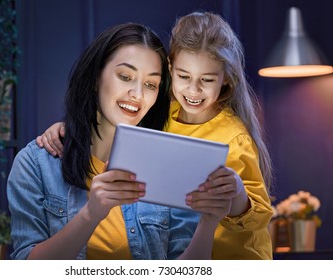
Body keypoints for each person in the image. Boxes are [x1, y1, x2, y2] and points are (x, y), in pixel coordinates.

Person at [36, 11, 274, 260]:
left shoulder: (234, 138)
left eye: (207, 80)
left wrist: (236, 195)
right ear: (171, 69)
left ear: (226, 80)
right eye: (183, 77)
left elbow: (258, 217)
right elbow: (114, 126)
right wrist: (69, 127)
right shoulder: (162, 116)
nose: (193, 90)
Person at [7, 22, 231, 260]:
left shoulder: (169, 165)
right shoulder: (36, 164)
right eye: (125, 76)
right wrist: (91, 214)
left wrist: (208, 222)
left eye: (150, 84)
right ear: (95, 77)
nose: (137, 94)